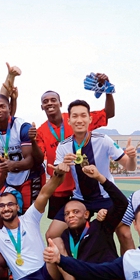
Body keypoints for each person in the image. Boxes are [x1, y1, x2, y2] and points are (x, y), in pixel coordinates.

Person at [51, 166, 134, 280]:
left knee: (120, 276)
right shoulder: (64, 238)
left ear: (86, 214)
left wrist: (99, 178)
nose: (71, 215)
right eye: (67, 214)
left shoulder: (101, 225)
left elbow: (122, 203)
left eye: (76, 212)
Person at [46, 100, 136, 241]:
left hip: (106, 196)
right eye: (75, 116)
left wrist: (132, 158)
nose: (79, 120)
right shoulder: (63, 146)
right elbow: (57, 173)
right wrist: (60, 169)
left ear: (90, 119)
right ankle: (71, 256)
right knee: (52, 235)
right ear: (68, 121)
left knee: (125, 234)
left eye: (83, 115)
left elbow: (130, 167)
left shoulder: (103, 140)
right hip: (81, 198)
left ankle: (127, 257)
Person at [35, 82, 112, 220]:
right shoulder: (41, 131)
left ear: (60, 103)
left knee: (93, 224)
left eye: (53, 100)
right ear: (42, 107)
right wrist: (32, 141)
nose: (50, 103)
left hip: (85, 186)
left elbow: (108, 114)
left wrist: (108, 91)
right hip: (60, 187)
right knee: (61, 227)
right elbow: (38, 158)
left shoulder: (76, 119)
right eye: (45, 101)